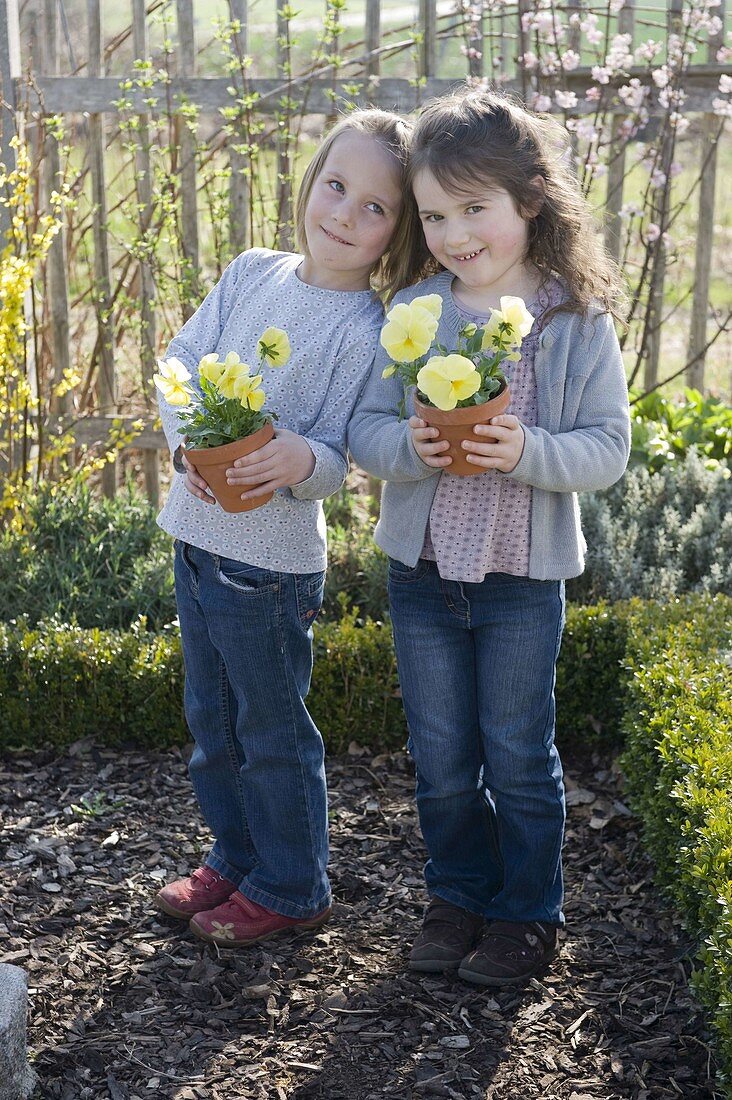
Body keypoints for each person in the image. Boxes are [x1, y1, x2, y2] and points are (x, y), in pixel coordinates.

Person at [348, 88, 631, 987]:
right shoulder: (416, 315)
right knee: (440, 758)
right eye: (434, 215)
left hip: (521, 581)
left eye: (476, 209)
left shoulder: (574, 322)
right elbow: (365, 429)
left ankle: (525, 914)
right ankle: (456, 897)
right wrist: (414, 447)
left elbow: (608, 448)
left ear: (531, 203)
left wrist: (528, 449)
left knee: (516, 755)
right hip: (424, 578)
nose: (455, 233)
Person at [154, 109, 421, 948]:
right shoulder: (250, 272)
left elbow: (349, 458)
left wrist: (301, 459)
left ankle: (294, 883)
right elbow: (181, 362)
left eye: (374, 207)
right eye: (335, 186)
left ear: (397, 233)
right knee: (211, 724)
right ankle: (234, 858)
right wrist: (186, 438)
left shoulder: (366, 329)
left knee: (270, 733)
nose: (343, 214)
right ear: (310, 183)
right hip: (197, 538)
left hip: (268, 570)